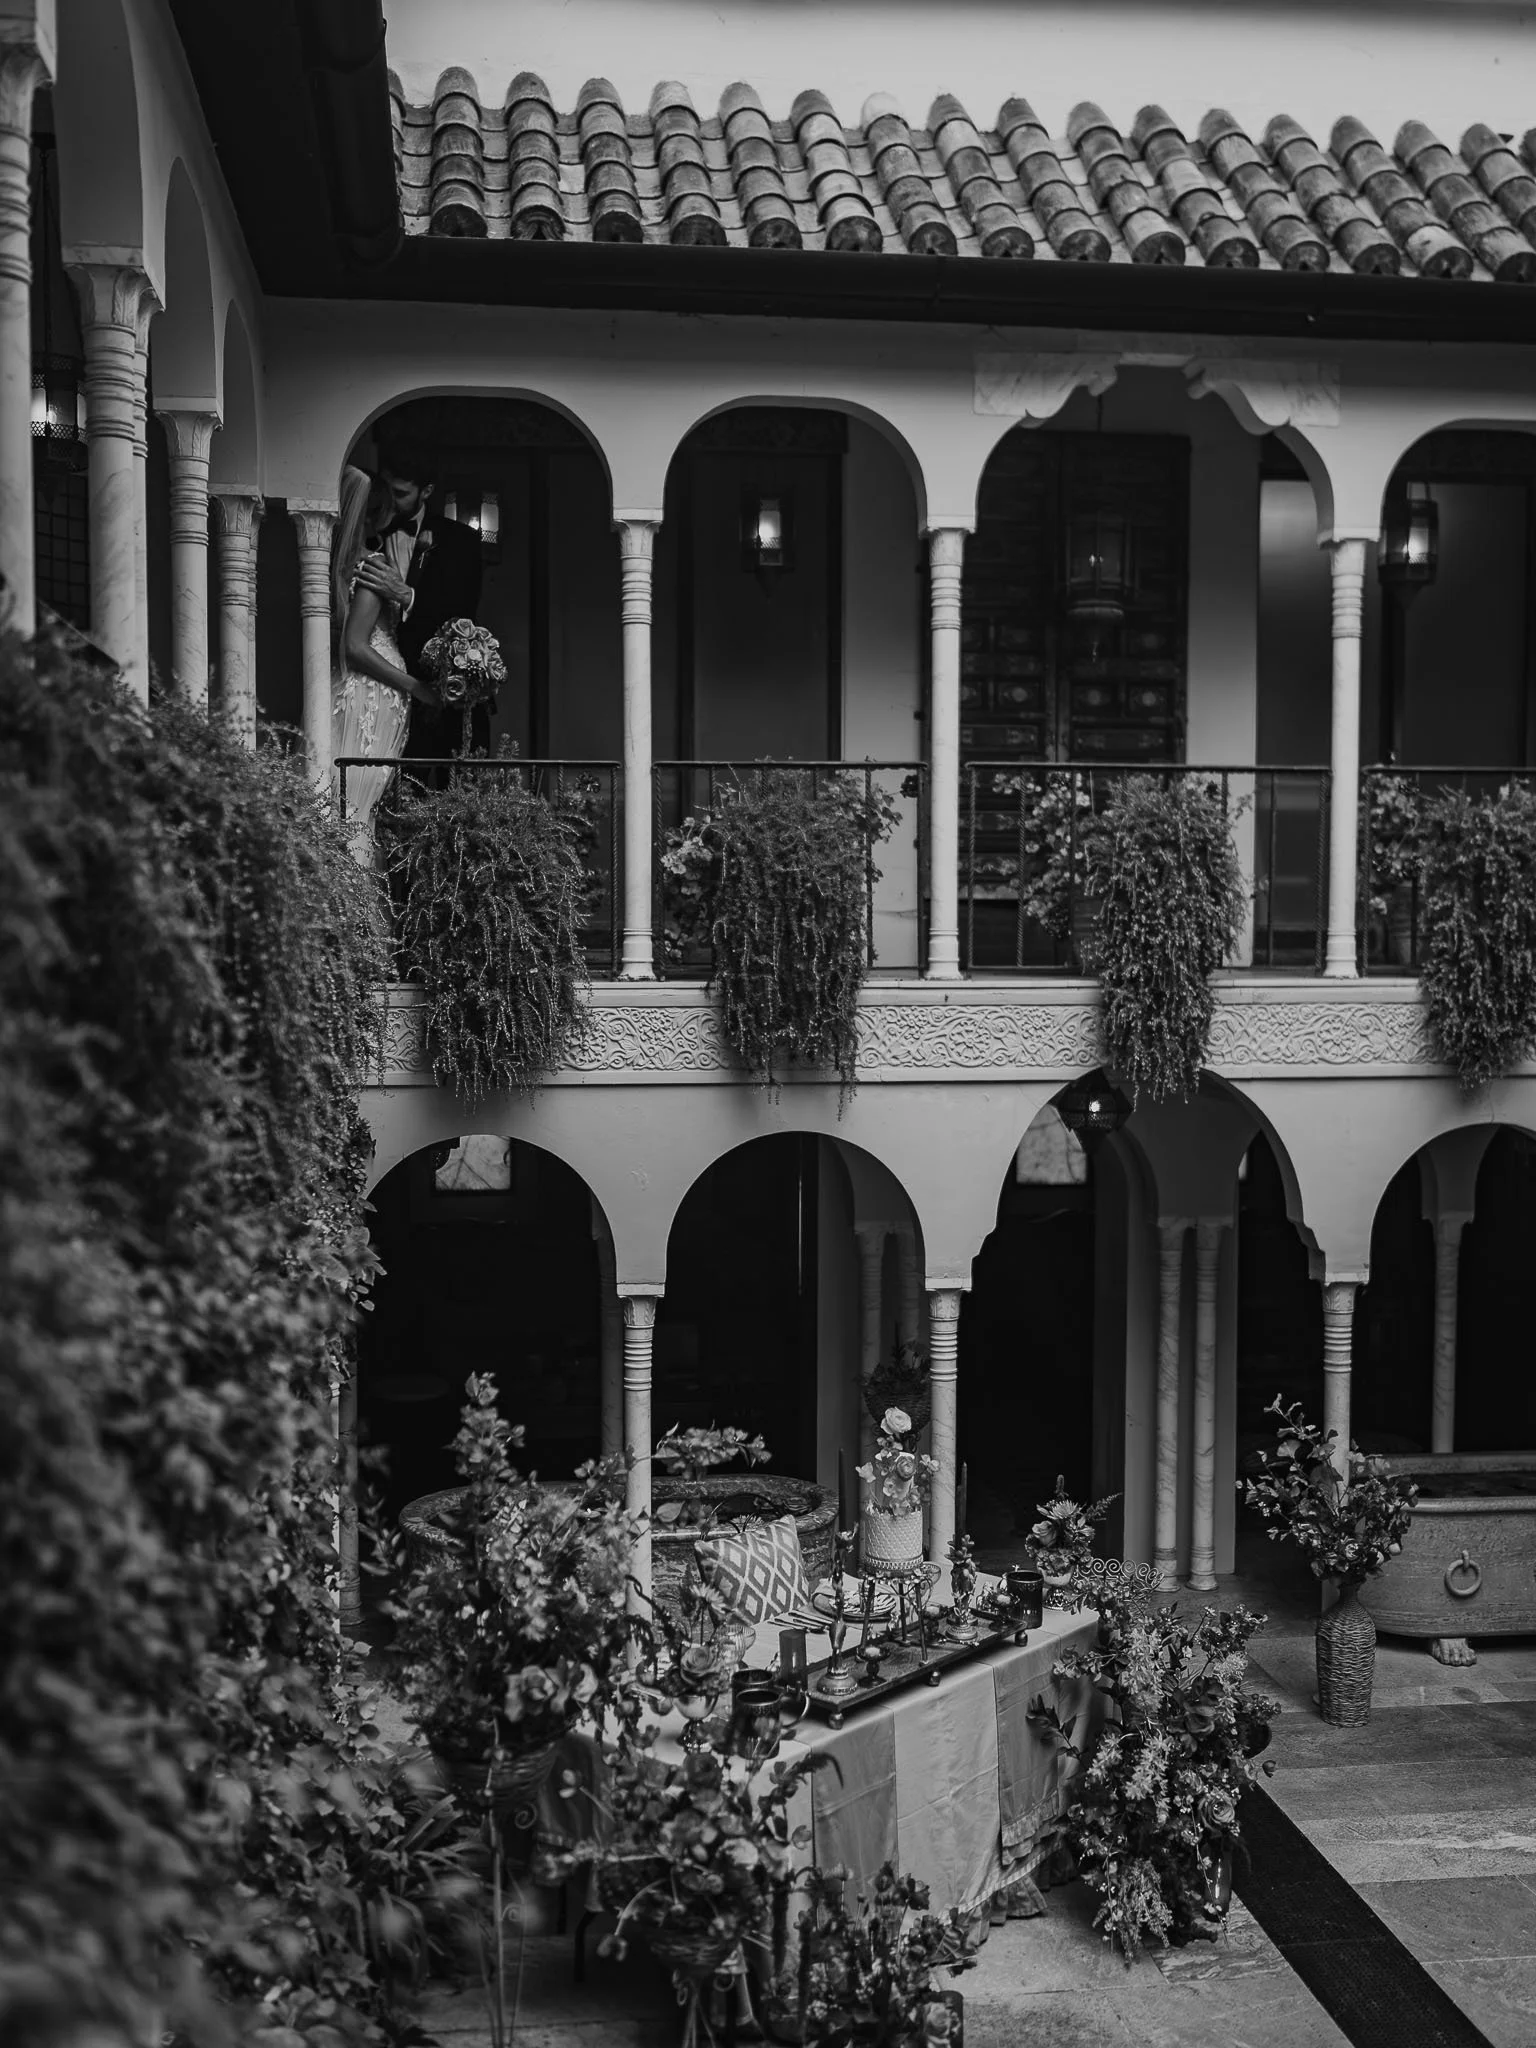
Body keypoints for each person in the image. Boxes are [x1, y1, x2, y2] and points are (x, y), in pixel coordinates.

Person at [352, 440, 486, 762]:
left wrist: (406, 595)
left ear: (426, 491)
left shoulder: (460, 541)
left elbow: (462, 613)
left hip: (438, 693)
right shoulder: (363, 535)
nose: (391, 503)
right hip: (374, 691)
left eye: (401, 494)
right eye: (386, 491)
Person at [330, 463, 438, 863]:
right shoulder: (369, 565)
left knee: (355, 808)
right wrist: (413, 687)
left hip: (363, 696)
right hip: (368, 698)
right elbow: (356, 647)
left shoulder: (342, 564)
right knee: (354, 809)